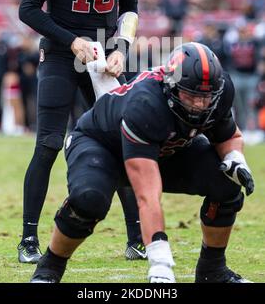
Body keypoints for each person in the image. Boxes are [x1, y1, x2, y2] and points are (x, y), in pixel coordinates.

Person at [30, 42, 255, 283]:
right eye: (191, 95)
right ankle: (49, 269)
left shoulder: (219, 93)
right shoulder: (146, 104)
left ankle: (213, 272)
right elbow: (147, 196)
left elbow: (229, 136)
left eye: (206, 97)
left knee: (226, 181)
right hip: (103, 145)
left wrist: (235, 159)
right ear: (172, 86)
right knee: (89, 199)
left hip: (164, 149)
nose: (200, 104)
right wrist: (160, 261)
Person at [17, 0, 145, 263]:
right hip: (61, 53)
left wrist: (121, 47)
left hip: (105, 58)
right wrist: (71, 41)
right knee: (49, 143)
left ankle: (137, 238)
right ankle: (28, 240)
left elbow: (130, 7)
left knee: (124, 141)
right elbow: (27, 9)